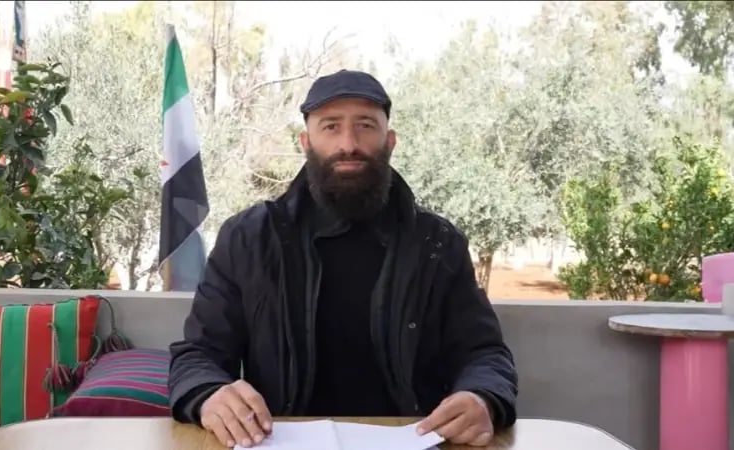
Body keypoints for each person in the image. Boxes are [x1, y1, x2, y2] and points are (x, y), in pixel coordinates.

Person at [168, 69, 519, 448]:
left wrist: (482, 396)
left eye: (365, 126)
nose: (348, 144)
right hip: (279, 441)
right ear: (306, 142)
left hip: (415, 440)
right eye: (331, 126)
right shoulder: (248, 238)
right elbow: (198, 355)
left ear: (390, 140)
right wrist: (209, 394)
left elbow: (484, 353)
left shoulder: (438, 243)